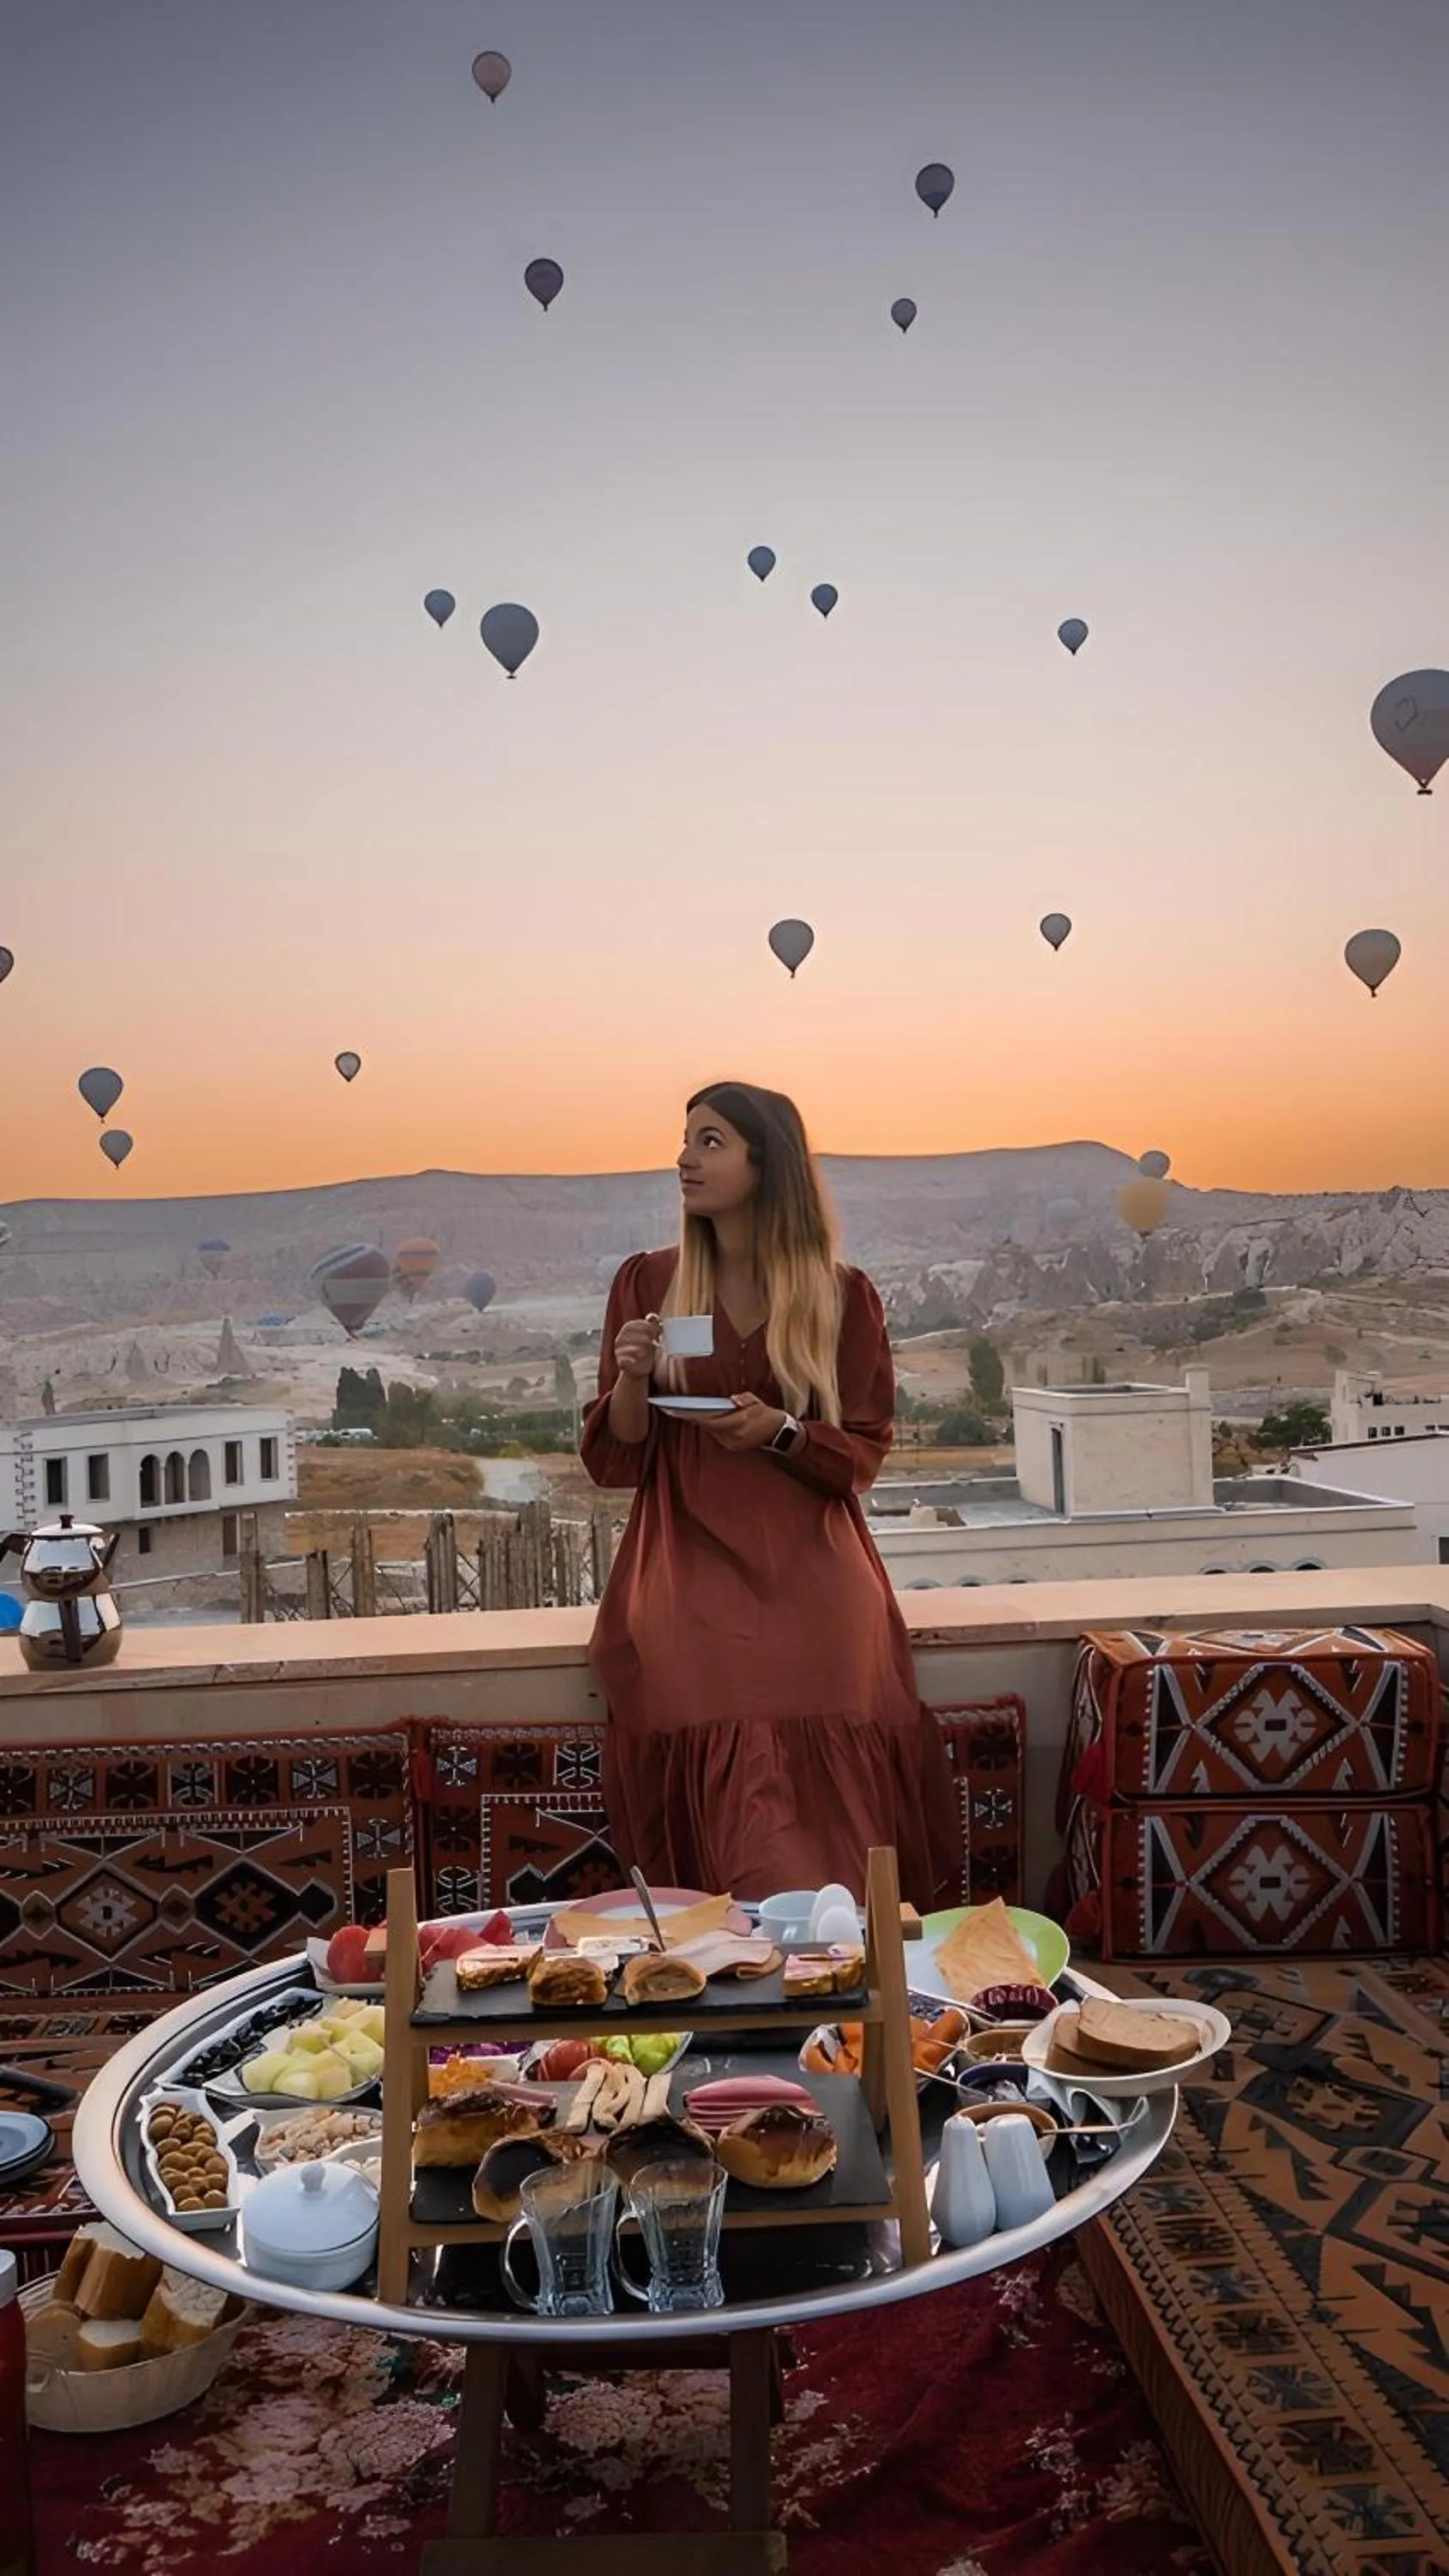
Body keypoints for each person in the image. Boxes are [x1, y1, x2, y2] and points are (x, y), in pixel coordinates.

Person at [580, 1080, 961, 1907]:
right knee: (713, 1710)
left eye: (711, 1141)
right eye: (685, 1140)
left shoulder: (840, 1294)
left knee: (831, 1704)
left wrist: (782, 1432)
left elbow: (861, 1453)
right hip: (686, 1560)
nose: (685, 1158)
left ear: (767, 1162)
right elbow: (618, 1460)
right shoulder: (646, 1282)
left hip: (814, 1567)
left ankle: (851, 1959)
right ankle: (755, 1955)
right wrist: (634, 1381)